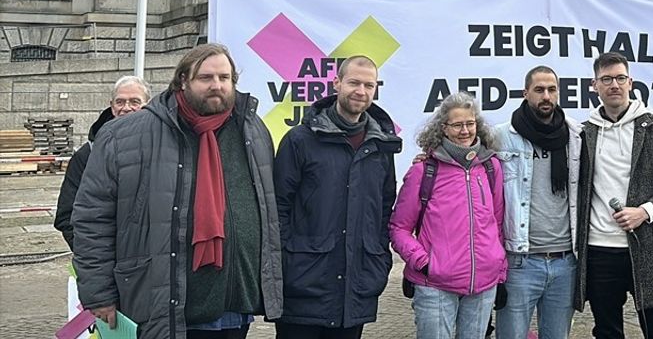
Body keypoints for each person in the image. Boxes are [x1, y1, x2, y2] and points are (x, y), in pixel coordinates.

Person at [72, 44, 283, 339]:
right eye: (206, 77)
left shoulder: (252, 129)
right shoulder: (124, 135)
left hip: (233, 305)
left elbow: (268, 210)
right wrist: (99, 293)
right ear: (183, 80)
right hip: (161, 304)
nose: (217, 85)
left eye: (225, 77)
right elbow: (92, 219)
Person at [273, 56, 402, 338]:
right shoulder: (300, 140)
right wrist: (287, 262)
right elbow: (278, 206)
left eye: (369, 85)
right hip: (304, 286)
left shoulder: (381, 147)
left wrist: (378, 260)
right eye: (354, 82)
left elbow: (383, 209)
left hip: (355, 288)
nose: (361, 91)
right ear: (337, 83)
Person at [574, 52, 653, 339]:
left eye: (620, 78)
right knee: (607, 331)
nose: (614, 84)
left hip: (648, 246)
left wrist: (645, 211)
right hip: (600, 249)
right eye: (606, 79)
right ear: (595, 85)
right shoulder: (583, 133)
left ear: (630, 82)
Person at [389, 93, 505, 339]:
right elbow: (399, 228)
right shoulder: (424, 170)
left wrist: (499, 269)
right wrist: (425, 263)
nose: (465, 131)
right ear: (443, 128)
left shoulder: (490, 167)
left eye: (470, 123)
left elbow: (498, 222)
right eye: (457, 125)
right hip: (435, 287)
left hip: (483, 286)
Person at [493, 66, 582, 339]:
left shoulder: (576, 136)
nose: (546, 96)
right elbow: (464, 163)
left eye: (552, 89)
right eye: (539, 90)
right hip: (521, 262)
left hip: (566, 262)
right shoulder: (500, 137)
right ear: (526, 93)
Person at [55, 75, 151, 252]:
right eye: (120, 102)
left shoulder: (164, 148)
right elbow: (66, 215)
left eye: (135, 101)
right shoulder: (88, 154)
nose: (126, 108)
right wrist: (91, 258)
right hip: (103, 260)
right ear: (111, 105)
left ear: (148, 104)